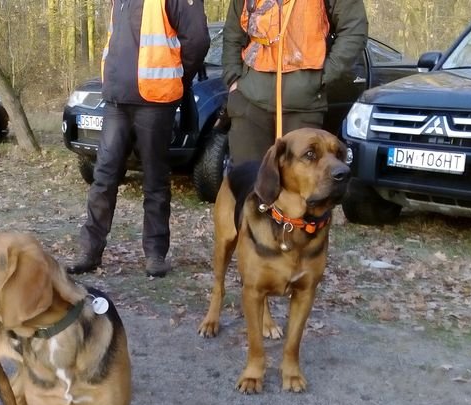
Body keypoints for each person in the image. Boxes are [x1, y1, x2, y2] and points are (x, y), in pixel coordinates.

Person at [68, 0, 210, 278]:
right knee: (104, 176)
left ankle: (155, 254)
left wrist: (177, 78)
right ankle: (90, 251)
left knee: (155, 179)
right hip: (116, 98)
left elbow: (198, 40)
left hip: (156, 100)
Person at [222, 0, 368, 165]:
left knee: (300, 186)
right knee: (248, 183)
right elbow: (232, 32)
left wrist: (323, 76)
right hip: (249, 101)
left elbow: (354, 29)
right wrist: (233, 79)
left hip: (303, 106)